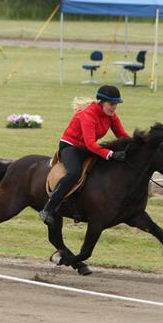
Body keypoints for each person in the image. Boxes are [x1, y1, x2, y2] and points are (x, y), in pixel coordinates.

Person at [39, 85, 130, 225]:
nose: (114, 107)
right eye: (111, 104)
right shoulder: (88, 115)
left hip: (86, 148)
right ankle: (48, 208)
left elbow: (122, 136)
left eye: (116, 104)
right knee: (74, 173)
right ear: (101, 101)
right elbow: (91, 144)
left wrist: (137, 146)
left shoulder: (111, 116)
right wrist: (111, 154)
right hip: (70, 147)